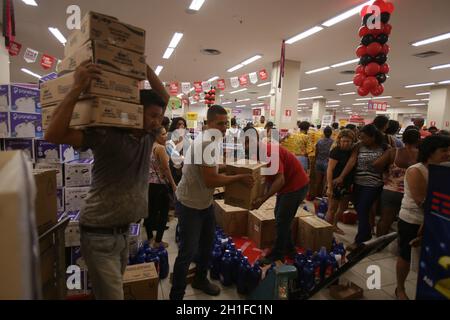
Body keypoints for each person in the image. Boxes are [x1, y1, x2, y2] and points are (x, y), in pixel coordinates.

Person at [44, 62, 169, 300]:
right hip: (99, 234)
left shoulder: (148, 137)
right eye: (152, 116)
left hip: (122, 234)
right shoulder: (107, 136)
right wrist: (77, 88)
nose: (157, 122)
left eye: (159, 117)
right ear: (135, 112)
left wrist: (146, 70)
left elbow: (164, 96)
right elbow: (53, 134)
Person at [170, 105, 254, 300]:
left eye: (226, 123)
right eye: (219, 123)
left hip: (204, 203)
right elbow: (211, 180)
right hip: (190, 204)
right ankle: (176, 295)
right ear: (208, 123)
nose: (224, 127)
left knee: (207, 244)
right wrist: (239, 177)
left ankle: (200, 279)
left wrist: (232, 168)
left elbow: (213, 168)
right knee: (187, 251)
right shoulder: (206, 142)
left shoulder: (213, 140)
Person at [395, 135, 450, 300]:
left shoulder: (444, 171)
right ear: (430, 152)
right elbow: (422, 201)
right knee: (406, 255)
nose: (448, 154)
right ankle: (400, 289)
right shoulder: (416, 170)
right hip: (413, 220)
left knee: (429, 258)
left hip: (433, 222)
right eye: (444, 150)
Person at [253, 142, 310, 262]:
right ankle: (290, 249)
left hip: (296, 185)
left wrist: (263, 199)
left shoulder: (269, 152)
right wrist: (258, 195)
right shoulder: (257, 153)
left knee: (282, 219)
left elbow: (280, 180)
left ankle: (278, 255)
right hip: (286, 187)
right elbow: (265, 178)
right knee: (281, 218)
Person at [336, 124, 389, 249]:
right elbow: (352, 161)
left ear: (373, 136)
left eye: (364, 137)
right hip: (358, 183)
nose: (362, 140)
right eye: (360, 137)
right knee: (361, 209)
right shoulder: (359, 146)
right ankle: (367, 233)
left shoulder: (385, 148)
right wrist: (342, 176)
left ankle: (360, 240)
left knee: (363, 208)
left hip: (373, 184)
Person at [373, 128, 421, 237]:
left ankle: (379, 244)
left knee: (385, 220)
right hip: (411, 194)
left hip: (392, 190)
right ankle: (402, 244)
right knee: (406, 222)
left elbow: (376, 165)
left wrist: (385, 173)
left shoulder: (393, 152)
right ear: (418, 140)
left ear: (403, 139)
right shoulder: (422, 155)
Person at [144, 126, 178, 248]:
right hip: (160, 185)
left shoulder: (148, 147)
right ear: (156, 135)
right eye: (163, 134)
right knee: (163, 213)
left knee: (149, 212)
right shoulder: (160, 148)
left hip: (149, 184)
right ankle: (158, 241)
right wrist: (173, 184)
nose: (165, 136)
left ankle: (149, 238)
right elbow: (166, 169)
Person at [326, 129, 355, 235]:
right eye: (343, 141)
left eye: (348, 141)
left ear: (352, 141)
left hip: (347, 183)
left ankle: (334, 225)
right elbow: (330, 169)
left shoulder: (352, 151)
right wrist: (329, 186)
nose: (345, 143)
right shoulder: (336, 151)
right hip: (335, 183)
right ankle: (327, 230)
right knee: (332, 208)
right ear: (339, 140)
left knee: (343, 207)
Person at [313, 126, 334, 198]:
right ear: (331, 133)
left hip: (318, 161)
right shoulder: (333, 142)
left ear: (324, 133)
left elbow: (316, 152)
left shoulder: (319, 141)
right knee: (325, 182)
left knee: (317, 181)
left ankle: (315, 195)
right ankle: (323, 196)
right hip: (328, 162)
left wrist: (315, 160)